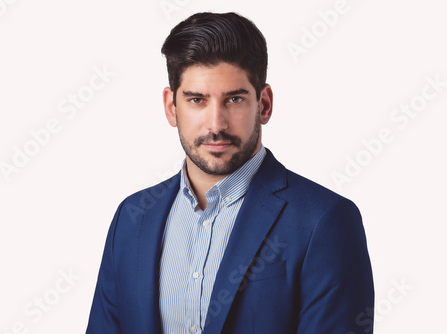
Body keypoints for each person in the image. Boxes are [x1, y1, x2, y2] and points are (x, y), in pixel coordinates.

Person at [86, 12, 374, 334]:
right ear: (171, 107)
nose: (216, 124)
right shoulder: (132, 217)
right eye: (197, 100)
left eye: (234, 99)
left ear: (263, 105)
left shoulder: (324, 220)